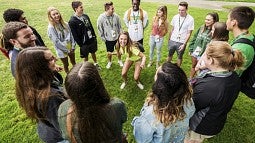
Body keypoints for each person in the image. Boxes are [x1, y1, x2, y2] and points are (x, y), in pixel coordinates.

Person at [185, 41, 244, 143]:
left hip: (200, 126)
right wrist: (202, 70)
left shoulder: (207, 88)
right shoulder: (234, 77)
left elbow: (190, 108)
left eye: (204, 54)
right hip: (217, 120)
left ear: (211, 60)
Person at [58, 62, 127, 143]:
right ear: (98, 83)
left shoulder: (63, 108)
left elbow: (65, 135)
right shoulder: (116, 106)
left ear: (69, 90)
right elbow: (123, 119)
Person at [132, 62, 195, 143]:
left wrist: (136, 121)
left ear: (160, 86)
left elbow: (142, 139)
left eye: (156, 74)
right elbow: (191, 113)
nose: (154, 76)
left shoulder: (151, 114)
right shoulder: (188, 100)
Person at [15, 47, 67, 143]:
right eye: (51, 59)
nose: (56, 59)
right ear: (39, 67)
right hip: (60, 137)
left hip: (47, 129)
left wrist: (53, 70)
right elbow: (65, 128)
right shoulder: (51, 97)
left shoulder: (30, 84)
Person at [69, 0, 101, 70]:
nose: (82, 8)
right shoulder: (72, 21)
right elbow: (75, 35)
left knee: (93, 52)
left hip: (91, 39)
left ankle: (96, 64)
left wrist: (94, 36)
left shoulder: (85, 16)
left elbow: (90, 26)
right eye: (81, 7)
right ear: (76, 9)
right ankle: (85, 69)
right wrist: (81, 44)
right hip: (84, 43)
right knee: (85, 56)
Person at [189, 12, 219, 79]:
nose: (206, 21)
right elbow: (194, 37)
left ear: (214, 21)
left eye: (208, 20)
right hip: (196, 52)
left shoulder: (214, 31)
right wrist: (191, 49)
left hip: (204, 55)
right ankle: (190, 79)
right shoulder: (202, 27)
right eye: (205, 19)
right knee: (193, 66)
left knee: (200, 69)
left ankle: (198, 82)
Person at [226, 6, 255, 76]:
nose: (226, 21)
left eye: (228, 19)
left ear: (233, 23)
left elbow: (230, 74)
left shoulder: (240, 48)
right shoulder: (250, 37)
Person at [47, 7, 76, 73]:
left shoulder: (65, 24)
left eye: (57, 13)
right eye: (54, 14)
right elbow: (56, 41)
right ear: (50, 16)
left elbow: (71, 34)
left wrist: (73, 46)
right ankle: (69, 76)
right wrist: (67, 50)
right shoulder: (51, 28)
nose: (56, 15)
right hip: (61, 49)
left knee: (73, 62)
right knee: (66, 64)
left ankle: (76, 74)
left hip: (70, 46)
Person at [167, 1, 194, 66]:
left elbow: (189, 33)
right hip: (172, 40)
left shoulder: (190, 19)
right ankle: (166, 68)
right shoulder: (175, 17)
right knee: (169, 54)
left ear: (186, 9)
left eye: (182, 10)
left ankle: (178, 70)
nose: (180, 12)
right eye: (179, 10)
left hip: (181, 42)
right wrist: (169, 40)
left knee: (179, 56)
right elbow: (172, 29)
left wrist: (184, 44)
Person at [97, 1, 123, 69]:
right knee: (109, 52)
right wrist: (104, 38)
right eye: (112, 9)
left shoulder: (116, 16)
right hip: (108, 39)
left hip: (117, 38)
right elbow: (100, 29)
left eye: (113, 8)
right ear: (107, 9)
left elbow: (119, 26)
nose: (113, 10)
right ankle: (109, 62)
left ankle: (119, 60)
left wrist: (120, 36)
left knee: (118, 50)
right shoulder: (101, 18)